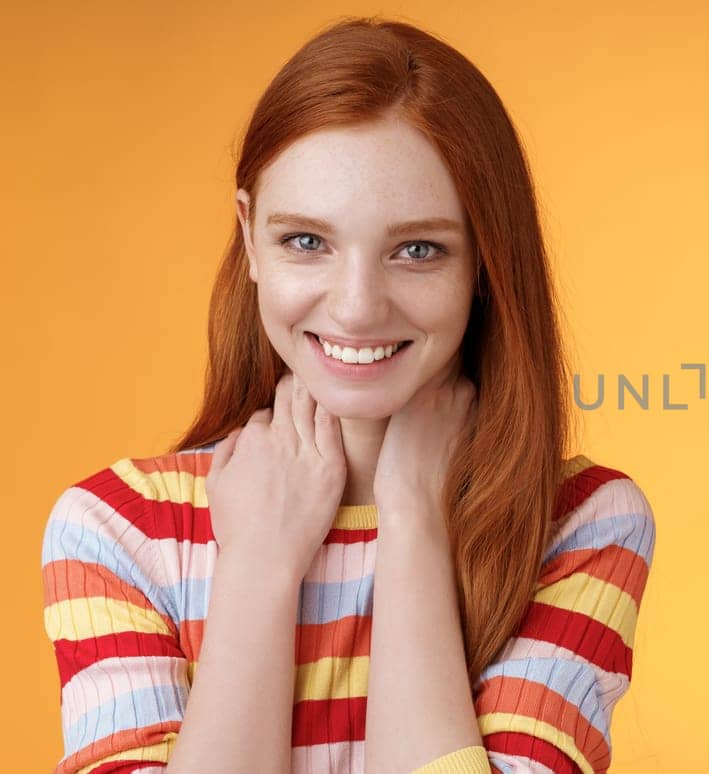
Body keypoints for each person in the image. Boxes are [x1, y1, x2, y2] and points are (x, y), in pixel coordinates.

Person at [39, 16, 656, 774]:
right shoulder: (115, 531)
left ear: (484, 266)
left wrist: (414, 519)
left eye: (418, 249)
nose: (358, 306)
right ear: (250, 238)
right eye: (306, 241)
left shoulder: (579, 526)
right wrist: (259, 570)